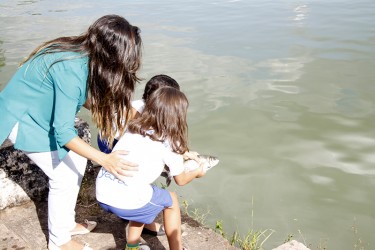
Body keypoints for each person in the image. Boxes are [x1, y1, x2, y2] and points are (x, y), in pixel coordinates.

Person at [0, 15, 142, 250]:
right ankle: (59, 242)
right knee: (64, 174)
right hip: (20, 116)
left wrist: (140, 120)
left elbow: (82, 99)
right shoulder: (71, 69)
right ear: (112, 53)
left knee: (75, 160)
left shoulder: (84, 54)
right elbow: (65, 134)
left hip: (37, 111)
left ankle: (65, 224)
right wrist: (105, 159)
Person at [96, 87, 206, 250]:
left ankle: (132, 245)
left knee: (147, 195)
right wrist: (198, 172)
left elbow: (149, 151)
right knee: (171, 200)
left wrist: (183, 155)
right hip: (123, 201)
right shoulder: (171, 142)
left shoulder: (134, 127)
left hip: (102, 192)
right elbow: (181, 180)